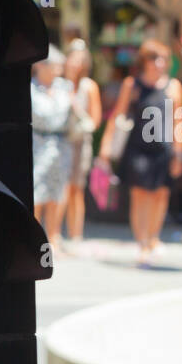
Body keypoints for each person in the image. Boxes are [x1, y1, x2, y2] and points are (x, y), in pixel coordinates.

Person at [97, 38, 182, 265]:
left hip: (163, 148)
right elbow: (118, 115)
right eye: (155, 59)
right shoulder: (132, 84)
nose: (159, 64)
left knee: (160, 194)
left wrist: (179, 153)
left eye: (163, 59)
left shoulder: (174, 86)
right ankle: (142, 242)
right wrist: (106, 146)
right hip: (138, 147)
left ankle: (154, 238)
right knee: (140, 195)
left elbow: (178, 121)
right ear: (145, 62)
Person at [30, 46, 74, 251]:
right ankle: (35, 238)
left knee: (58, 191)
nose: (57, 70)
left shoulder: (66, 87)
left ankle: (54, 236)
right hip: (38, 143)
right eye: (53, 65)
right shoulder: (28, 88)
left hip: (61, 144)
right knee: (36, 191)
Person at [61, 43, 101, 252]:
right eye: (73, 58)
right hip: (58, 140)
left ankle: (76, 236)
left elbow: (95, 119)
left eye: (80, 59)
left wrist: (77, 113)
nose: (76, 63)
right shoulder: (58, 84)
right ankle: (55, 235)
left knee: (76, 189)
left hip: (80, 141)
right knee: (60, 189)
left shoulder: (89, 86)